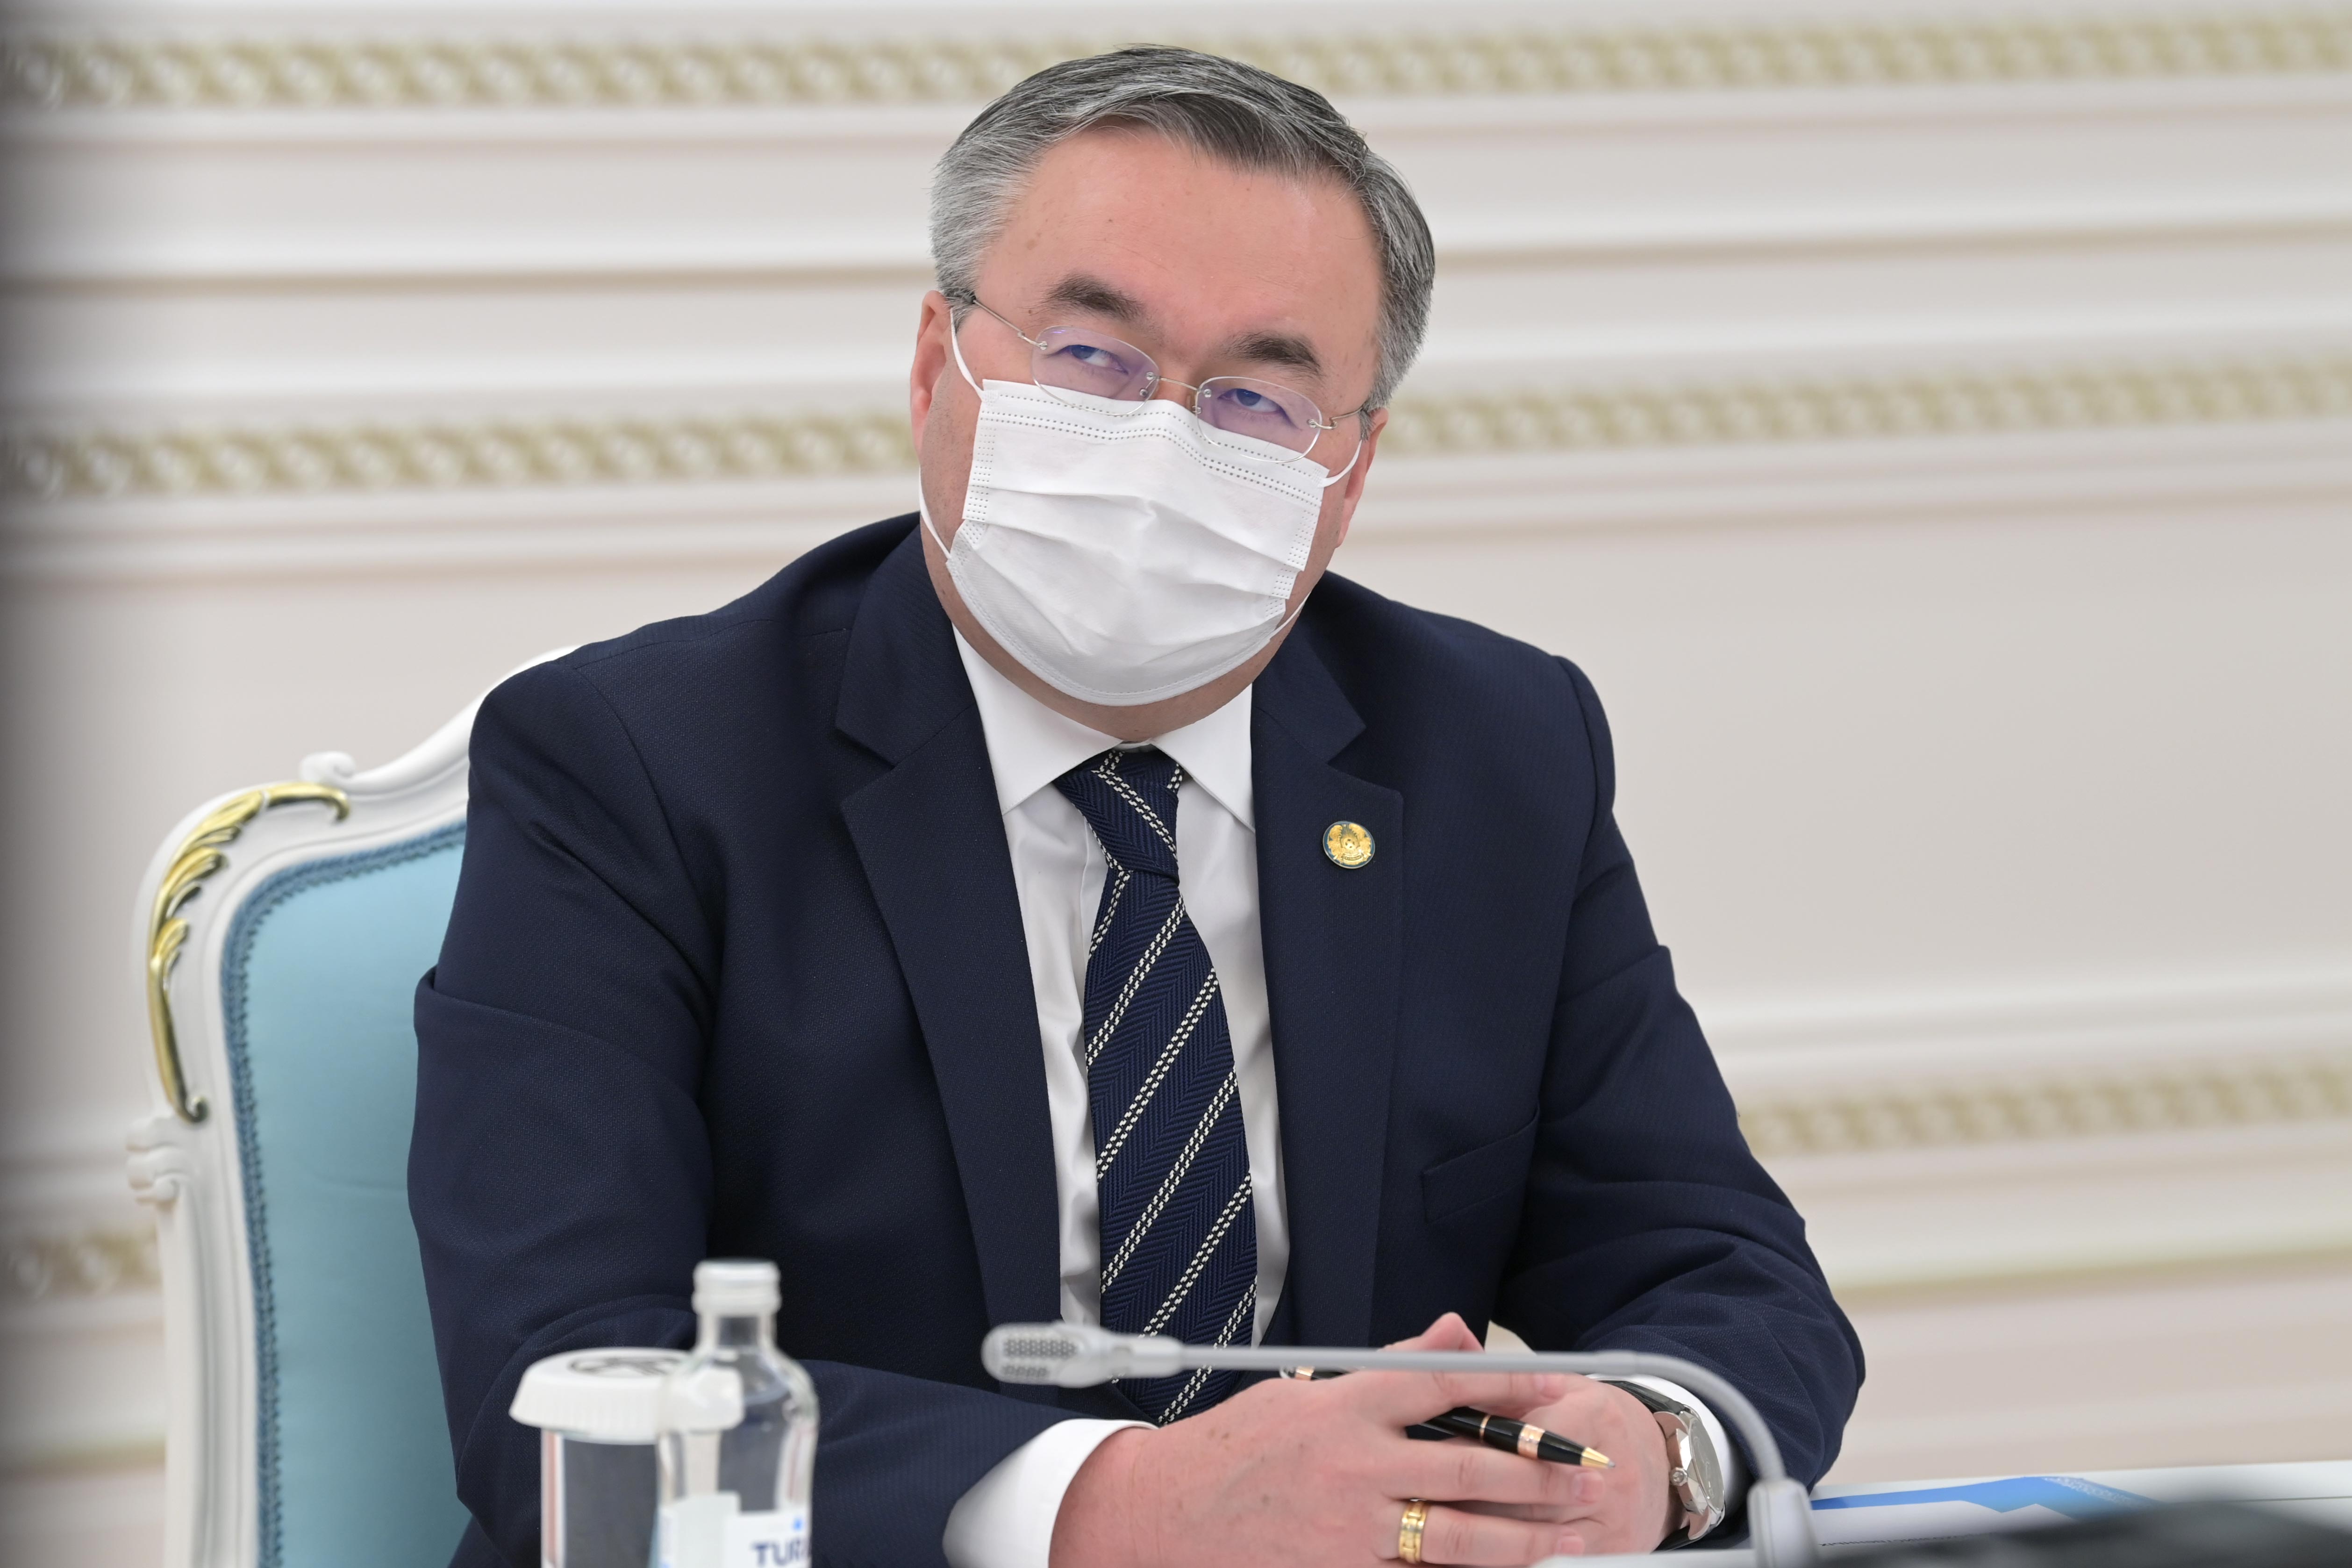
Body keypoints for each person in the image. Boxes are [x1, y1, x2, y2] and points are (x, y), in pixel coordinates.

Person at [411, 46, 1861, 1568]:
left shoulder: (1493, 750)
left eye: (1258, 396)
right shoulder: (634, 762)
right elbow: (557, 1394)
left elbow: (1722, 1273)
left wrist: (1651, 1447)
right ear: (937, 365)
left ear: (1349, 468)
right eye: (1093, 357)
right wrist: (1119, 1506)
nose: (1163, 439)